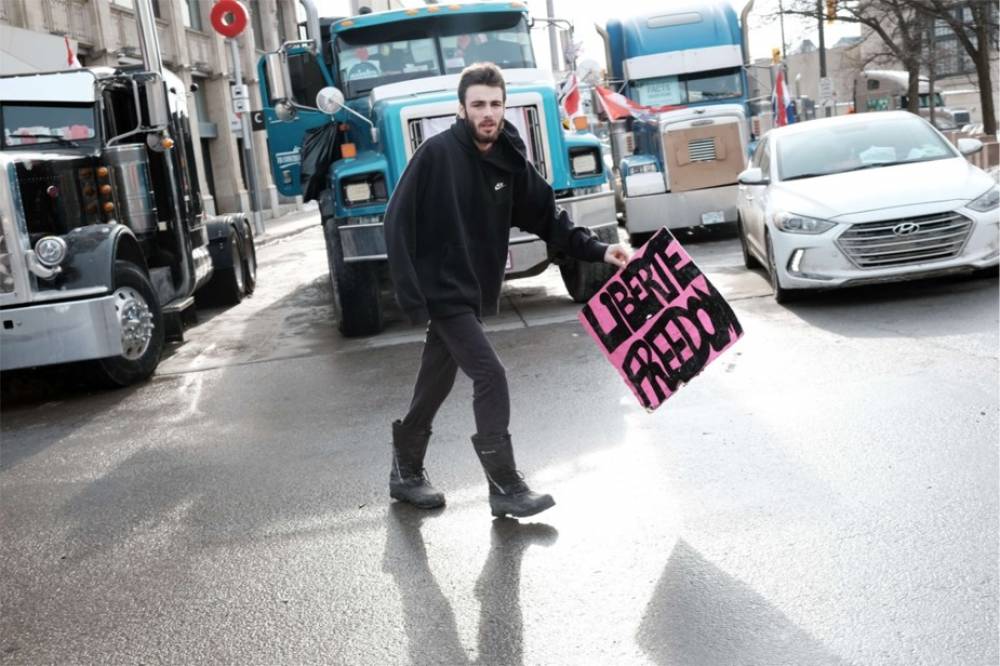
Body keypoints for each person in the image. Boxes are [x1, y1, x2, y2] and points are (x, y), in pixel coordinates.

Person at [383, 63, 631, 518]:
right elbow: (395, 221)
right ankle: (504, 486)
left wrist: (599, 251)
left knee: (437, 378)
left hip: (473, 287)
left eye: (495, 104)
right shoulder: (435, 155)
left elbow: (546, 217)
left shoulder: (509, 157)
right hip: (443, 288)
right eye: (478, 105)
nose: (488, 113)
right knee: (490, 374)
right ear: (462, 109)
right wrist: (412, 296)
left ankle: (405, 471)